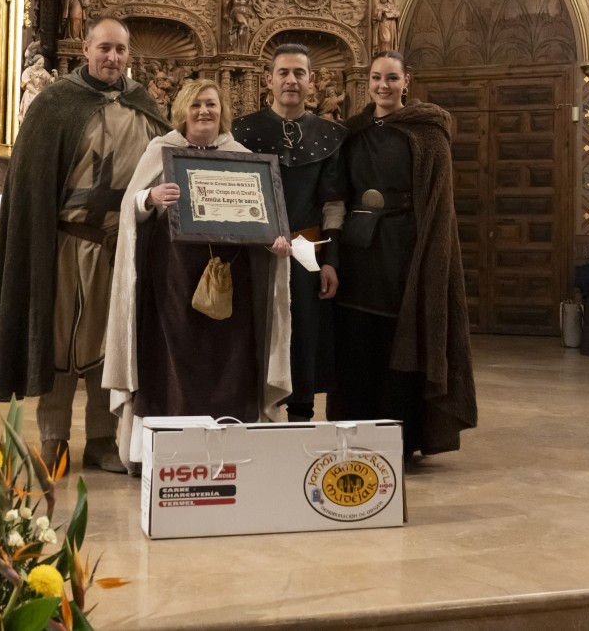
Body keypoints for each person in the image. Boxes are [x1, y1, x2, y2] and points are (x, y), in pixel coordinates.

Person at [0, 16, 170, 474]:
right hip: (66, 247)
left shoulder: (143, 105)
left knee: (110, 343)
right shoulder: (56, 103)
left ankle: (102, 440)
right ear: (86, 50)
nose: (113, 58)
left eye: (120, 50)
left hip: (122, 250)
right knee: (60, 343)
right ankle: (54, 438)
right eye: (104, 48)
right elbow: (31, 182)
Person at [103, 79, 292, 474]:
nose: (204, 111)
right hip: (172, 279)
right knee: (173, 358)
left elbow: (264, 220)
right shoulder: (161, 151)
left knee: (230, 358)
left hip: (233, 280)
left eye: (211, 104)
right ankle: (166, 450)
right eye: (196, 105)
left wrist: (275, 244)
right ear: (182, 112)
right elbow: (130, 208)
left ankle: (230, 446)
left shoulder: (242, 158)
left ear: (222, 112)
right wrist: (150, 198)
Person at [327, 50, 476, 460]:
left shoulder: (427, 131)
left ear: (406, 81)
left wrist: (431, 258)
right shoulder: (351, 132)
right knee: (358, 340)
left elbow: (439, 203)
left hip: (406, 249)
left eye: (392, 78)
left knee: (401, 338)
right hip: (358, 253)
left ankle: (400, 440)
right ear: (368, 82)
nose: (383, 86)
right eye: (377, 78)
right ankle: (354, 435)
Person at [233, 44, 346, 422]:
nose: (291, 80)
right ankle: (253, 418)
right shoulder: (242, 130)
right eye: (284, 72)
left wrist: (330, 261)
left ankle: (300, 418)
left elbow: (333, 204)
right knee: (256, 333)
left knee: (303, 337)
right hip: (254, 251)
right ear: (269, 80)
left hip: (306, 252)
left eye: (300, 73)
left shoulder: (330, 134)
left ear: (312, 81)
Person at [18, 54, 53, 123]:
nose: (41, 65)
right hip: (30, 94)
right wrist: (36, 93)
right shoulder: (28, 71)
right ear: (34, 62)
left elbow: (49, 81)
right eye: (39, 64)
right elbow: (26, 84)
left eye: (42, 64)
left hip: (41, 95)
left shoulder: (43, 71)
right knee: (29, 112)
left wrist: (54, 77)